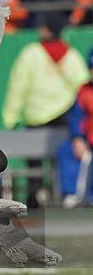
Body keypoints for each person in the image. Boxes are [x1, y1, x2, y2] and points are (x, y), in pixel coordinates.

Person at [2, 11, 89, 207]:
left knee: (34, 164)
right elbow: (83, 86)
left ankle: (34, 200)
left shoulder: (31, 53)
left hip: (35, 117)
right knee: (62, 161)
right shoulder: (71, 55)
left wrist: (11, 117)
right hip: (63, 115)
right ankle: (63, 198)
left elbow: (18, 86)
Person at [58, 49, 93, 206]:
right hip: (88, 140)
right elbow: (76, 117)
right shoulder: (84, 91)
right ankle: (72, 196)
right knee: (67, 149)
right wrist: (78, 137)